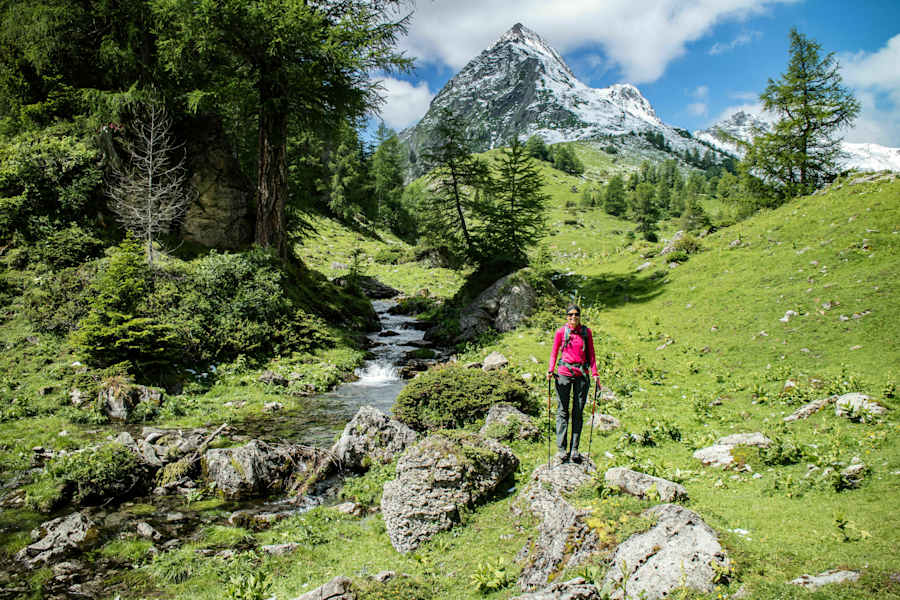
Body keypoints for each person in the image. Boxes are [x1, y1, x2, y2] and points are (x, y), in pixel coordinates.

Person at [546, 304, 599, 463]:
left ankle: (574, 449)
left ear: (579, 316)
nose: (573, 317)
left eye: (576, 315)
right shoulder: (561, 332)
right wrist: (550, 370)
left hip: (582, 375)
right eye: (570, 315)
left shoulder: (586, 332)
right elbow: (554, 352)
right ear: (566, 317)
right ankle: (561, 450)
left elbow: (592, 354)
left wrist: (595, 373)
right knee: (562, 410)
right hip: (563, 374)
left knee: (578, 412)